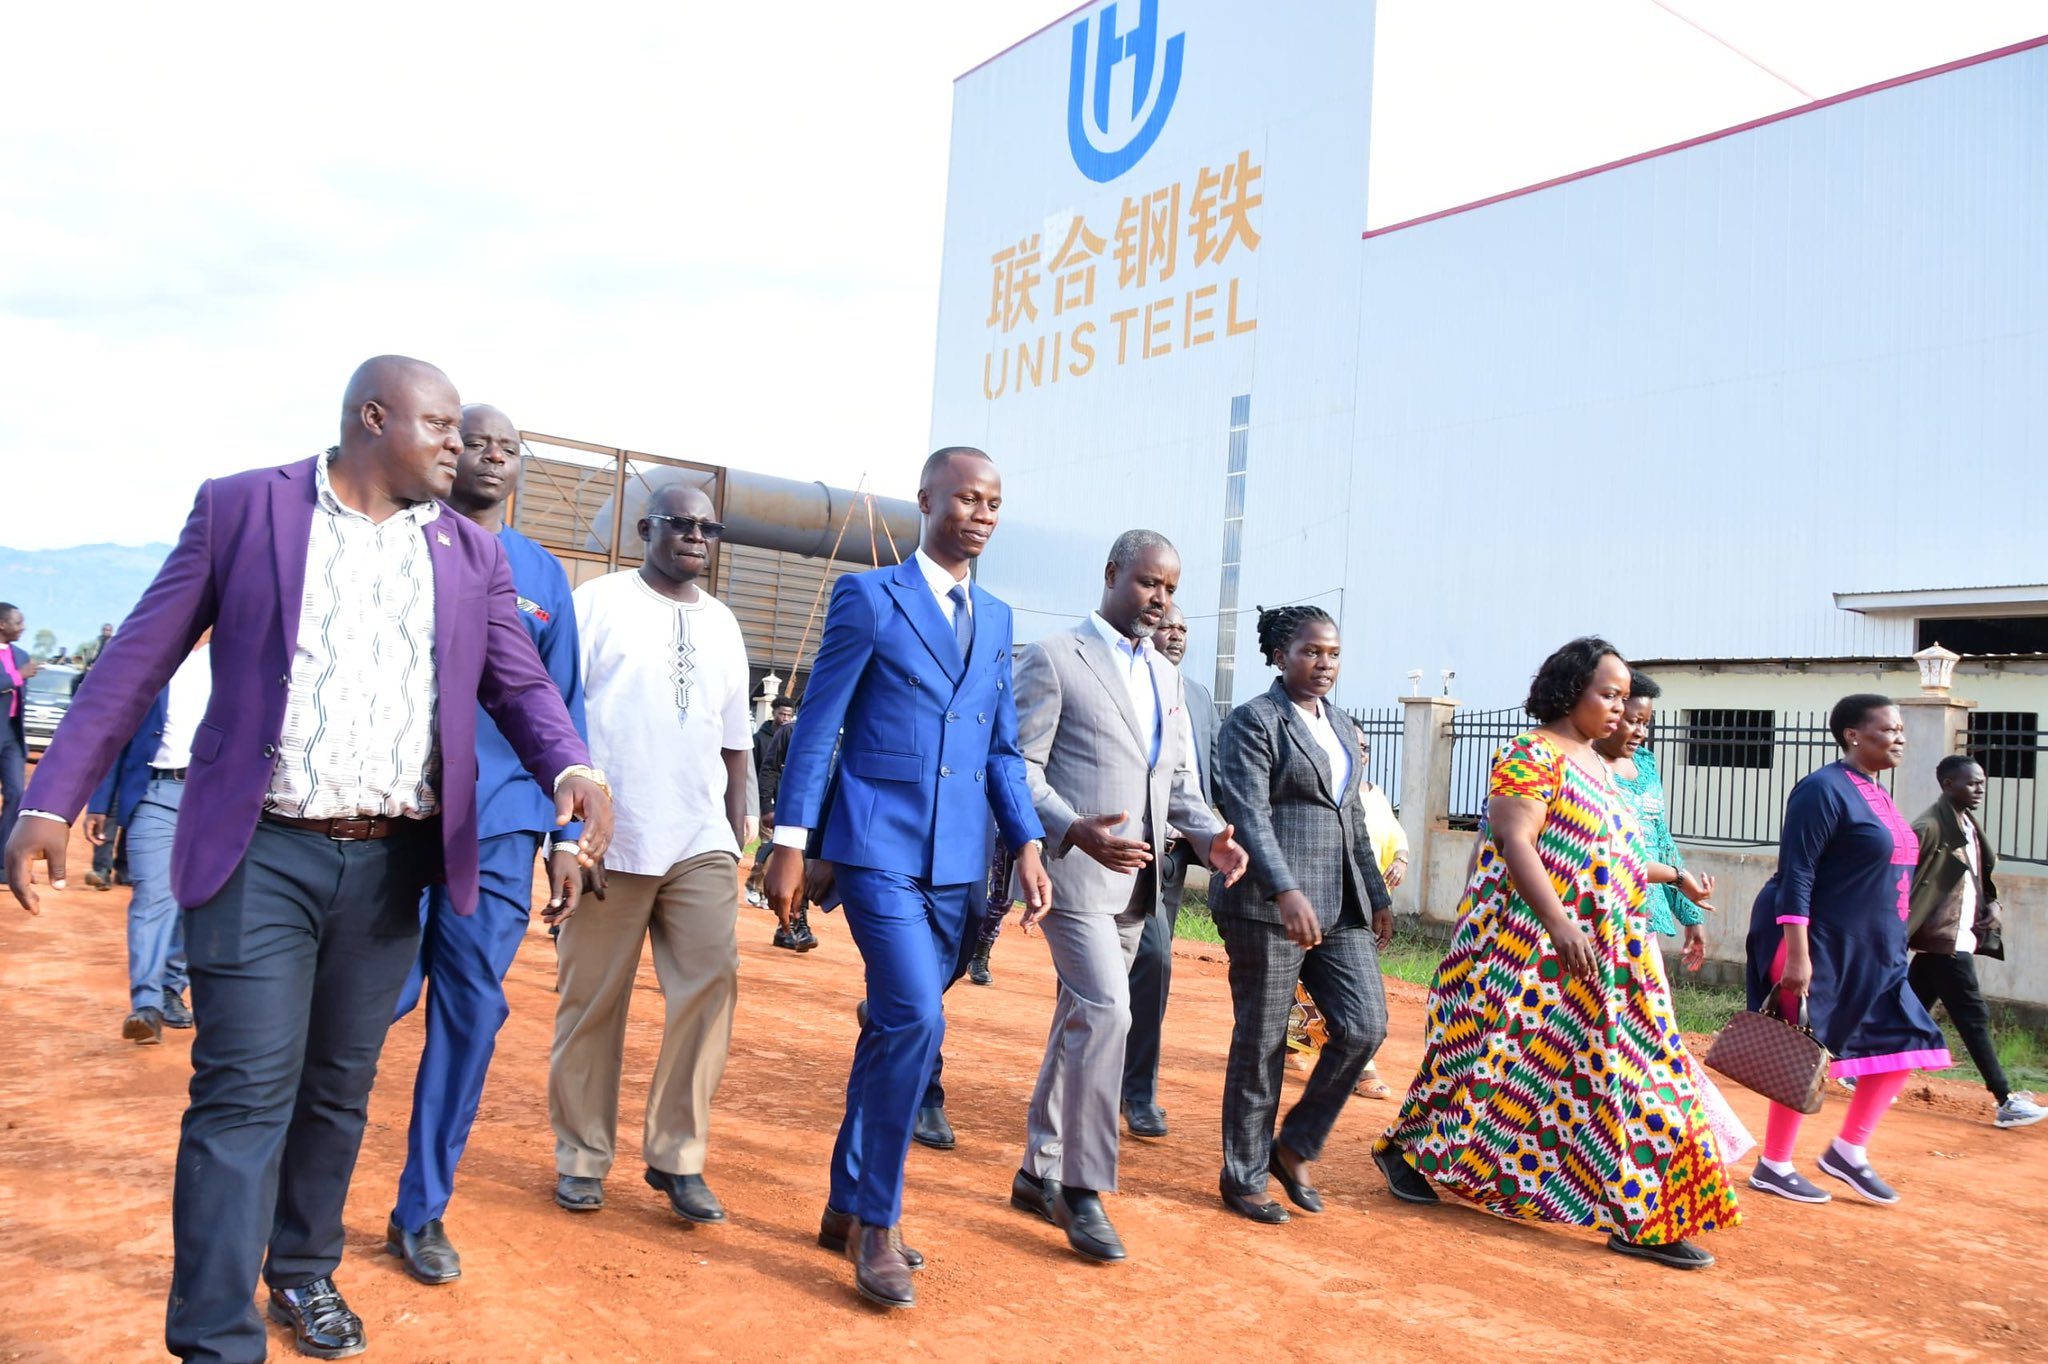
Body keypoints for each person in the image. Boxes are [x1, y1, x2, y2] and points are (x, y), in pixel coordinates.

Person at [3, 355, 613, 1363]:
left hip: (389, 863)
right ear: (373, 417)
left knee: (338, 1082)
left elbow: (519, 682)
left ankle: (301, 1266)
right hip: (259, 849)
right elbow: (136, 658)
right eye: (442, 425)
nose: (460, 445)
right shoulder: (244, 509)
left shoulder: (469, 553)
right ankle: (213, 1335)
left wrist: (570, 765)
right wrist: (49, 797)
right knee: (244, 1088)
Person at [764, 446, 1050, 1310]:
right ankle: (879, 1227)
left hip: (962, 864)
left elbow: (1001, 746)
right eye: (966, 497)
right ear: (926, 500)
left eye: (994, 504)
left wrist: (1029, 841)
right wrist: (788, 837)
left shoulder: (996, 617)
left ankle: (845, 1202)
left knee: (894, 1026)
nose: (981, 514)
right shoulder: (868, 595)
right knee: (916, 1019)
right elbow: (820, 725)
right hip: (878, 847)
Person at [1377, 637, 1739, 1271]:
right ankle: (1408, 1150)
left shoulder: (1601, 766)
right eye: (1609, 694)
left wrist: (1670, 876)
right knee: (1484, 1069)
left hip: (1612, 959)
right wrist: (1560, 921)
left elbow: (1607, 853)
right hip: (1528, 955)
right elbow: (1517, 840)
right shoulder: (1531, 754)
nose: (1620, 710)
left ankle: (1644, 1217)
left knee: (1641, 1079)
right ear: (1570, 689)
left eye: (1625, 698)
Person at [382, 404, 588, 1286]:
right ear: (448, 451)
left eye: (510, 449)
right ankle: (293, 1188)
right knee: (372, 1004)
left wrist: (569, 838)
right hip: (388, 822)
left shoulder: (544, 576)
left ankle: (421, 1210)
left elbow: (564, 707)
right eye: (479, 442)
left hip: (499, 830)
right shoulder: (396, 545)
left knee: (469, 1014)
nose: (493, 457)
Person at [1008, 529, 1247, 1264]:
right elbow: (1020, 769)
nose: (1160, 599)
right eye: (1148, 583)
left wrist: (1211, 839)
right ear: (1112, 575)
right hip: (1075, 877)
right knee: (1109, 1011)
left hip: (1137, 885)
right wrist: (1075, 832)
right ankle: (1082, 1190)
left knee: (1080, 1017)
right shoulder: (1054, 658)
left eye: (1171, 588)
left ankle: (1036, 1171)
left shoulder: (1167, 678)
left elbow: (1178, 787)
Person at [549, 482, 752, 1228]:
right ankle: (581, 1156)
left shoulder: (726, 623)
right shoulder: (595, 604)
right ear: (646, 529)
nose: (697, 536)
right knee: (592, 1002)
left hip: (700, 840)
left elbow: (736, 747)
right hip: (610, 839)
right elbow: (556, 720)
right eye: (682, 524)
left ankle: (677, 1156)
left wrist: (738, 840)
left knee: (711, 986)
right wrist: (565, 836)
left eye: (709, 527)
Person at [1211, 605, 1391, 1223]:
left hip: (1339, 906)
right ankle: (1243, 1176)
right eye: (1311, 652)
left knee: (1365, 1024)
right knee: (1262, 1041)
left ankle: (1293, 1146)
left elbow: (1355, 820)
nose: (1324, 665)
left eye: (1333, 654)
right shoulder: (1252, 723)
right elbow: (1249, 814)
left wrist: (1378, 895)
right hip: (1267, 906)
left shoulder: (1342, 724)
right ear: (1279, 656)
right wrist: (1283, 889)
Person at [1742, 694, 1954, 1208]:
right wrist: (1797, 954)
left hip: (1875, 949)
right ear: (1854, 734)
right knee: (1806, 1048)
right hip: (1818, 942)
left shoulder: (1876, 792)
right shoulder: (1822, 789)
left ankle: (1848, 1151)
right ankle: (1774, 1164)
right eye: (1889, 728)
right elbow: (1797, 872)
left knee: (1907, 1036)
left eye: (1902, 729)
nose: (1900, 737)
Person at [1594, 671, 1754, 1161]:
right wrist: (1676, 879)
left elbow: (1660, 838)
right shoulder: (1585, 766)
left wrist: (1690, 914)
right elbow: (1606, 849)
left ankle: (1676, 1141)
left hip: (1644, 913)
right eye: (1632, 718)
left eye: (1646, 722)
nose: (1640, 730)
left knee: (1642, 1028)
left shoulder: (1644, 766)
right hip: (1598, 913)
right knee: (1630, 1033)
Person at [1119, 601, 1217, 1136]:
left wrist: (1217, 840)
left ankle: (1135, 1090)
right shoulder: (1121, 681)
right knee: (1132, 965)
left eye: (1184, 627)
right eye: (1168, 625)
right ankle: (1108, 1083)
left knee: (1153, 970)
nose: (1176, 634)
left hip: (1173, 858)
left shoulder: (1197, 696)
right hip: (1120, 848)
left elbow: (1207, 771)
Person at [85, 634, 211, 1044]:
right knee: (153, 896)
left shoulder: (239, 651)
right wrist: (101, 802)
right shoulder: (156, 652)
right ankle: (146, 1003)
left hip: (216, 799)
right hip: (156, 793)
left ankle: (173, 987)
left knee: (200, 900)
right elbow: (116, 732)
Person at [1907, 756, 2043, 1129]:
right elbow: (1904, 883)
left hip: (1954, 937)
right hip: (1945, 941)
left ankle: (1853, 1067)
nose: (1979, 789)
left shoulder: (1966, 824)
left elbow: (1978, 877)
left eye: (1981, 783)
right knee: (1974, 1018)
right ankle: (2005, 1099)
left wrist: (1994, 905)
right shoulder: (1929, 828)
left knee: (1906, 1011)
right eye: (1971, 783)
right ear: (1948, 784)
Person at [747, 694, 796, 915]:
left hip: (783, 800)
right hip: (762, 800)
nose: (785, 717)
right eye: (781, 713)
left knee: (773, 845)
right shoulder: (759, 739)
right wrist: (762, 803)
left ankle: (758, 886)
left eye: (788, 714)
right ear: (773, 714)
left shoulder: (793, 736)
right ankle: (755, 886)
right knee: (768, 844)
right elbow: (757, 770)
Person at [0, 604, 38, 848]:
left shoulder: (21, 656)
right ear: (2, 624)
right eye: (18, 622)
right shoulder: (22, 667)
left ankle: (3, 860)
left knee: (16, 793)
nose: (23, 627)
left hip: (13, 735)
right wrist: (18, 676)